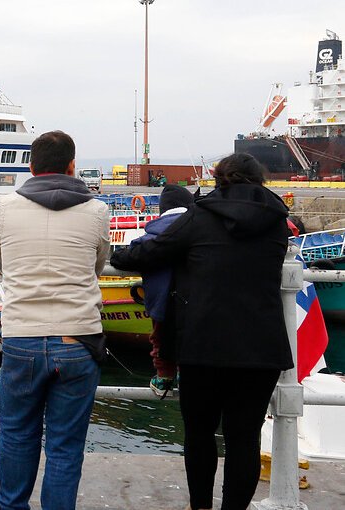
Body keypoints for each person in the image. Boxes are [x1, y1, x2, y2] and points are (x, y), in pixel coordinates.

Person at [111, 153, 293, 510]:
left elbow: (149, 253)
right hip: (261, 347)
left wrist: (118, 255)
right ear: (260, 179)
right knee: (244, 439)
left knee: (199, 435)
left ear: (218, 177)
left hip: (202, 345)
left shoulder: (199, 216)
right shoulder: (276, 221)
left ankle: (201, 507)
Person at [0, 130, 109, 510]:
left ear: (30, 167)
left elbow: (3, 264)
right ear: (73, 166)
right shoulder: (97, 210)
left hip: (22, 337)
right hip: (77, 338)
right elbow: (98, 266)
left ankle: (12, 505)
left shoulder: (2, 208)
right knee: (65, 446)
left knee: (16, 435)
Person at [130, 184, 195, 396]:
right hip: (193, 300)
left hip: (160, 301)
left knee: (159, 338)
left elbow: (134, 252)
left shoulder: (151, 236)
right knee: (191, 338)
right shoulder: (198, 231)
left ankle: (164, 378)